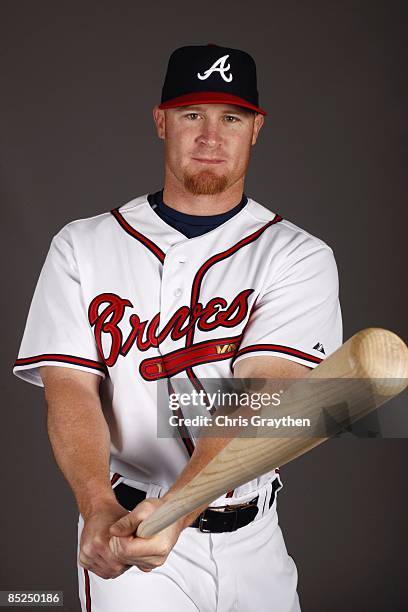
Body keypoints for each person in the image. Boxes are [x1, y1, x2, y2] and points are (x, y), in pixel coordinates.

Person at [13, 44, 342, 612]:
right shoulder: (82, 246)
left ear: (256, 129)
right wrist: (95, 505)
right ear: (161, 120)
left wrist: (178, 510)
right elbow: (70, 390)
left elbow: (263, 395)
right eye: (193, 114)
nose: (211, 136)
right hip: (128, 532)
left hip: (256, 538)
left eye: (230, 118)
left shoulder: (298, 255)